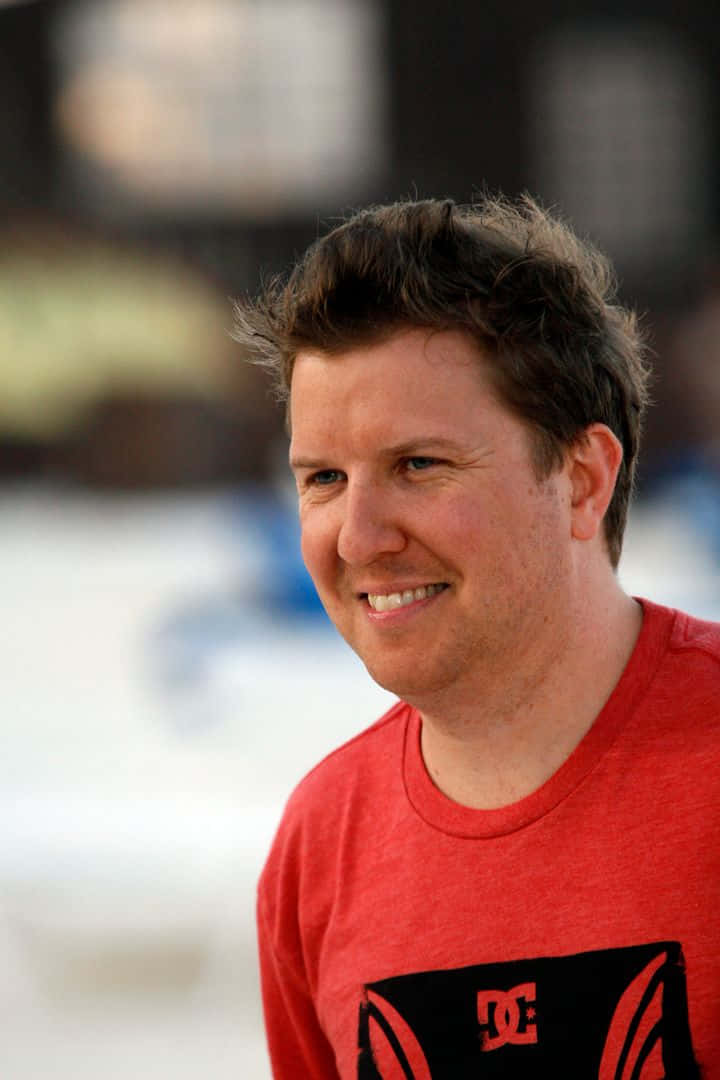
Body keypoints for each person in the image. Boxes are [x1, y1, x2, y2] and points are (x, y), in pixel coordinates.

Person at [233, 196, 720, 1078]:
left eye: (418, 465)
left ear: (582, 480)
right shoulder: (321, 843)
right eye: (325, 478)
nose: (358, 538)